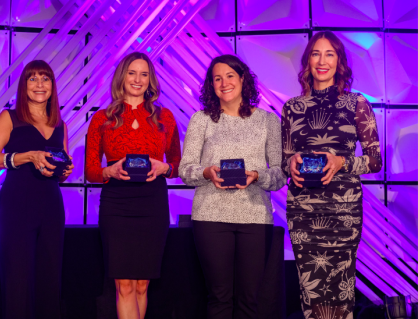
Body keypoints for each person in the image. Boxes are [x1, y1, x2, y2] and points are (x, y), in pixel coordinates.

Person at [281, 31, 382, 319]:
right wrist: (290, 165)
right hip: (302, 210)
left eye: (329, 54)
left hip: (343, 211)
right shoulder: (292, 108)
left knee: (340, 291)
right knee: (310, 291)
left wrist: (342, 162)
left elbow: (375, 161)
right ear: (307, 61)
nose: (322, 61)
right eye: (316, 53)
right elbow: (283, 160)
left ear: (339, 62)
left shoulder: (356, 103)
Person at [179, 54, 286, 319]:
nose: (224, 83)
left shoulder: (268, 121)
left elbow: (280, 174)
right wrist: (206, 172)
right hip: (210, 217)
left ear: (242, 79)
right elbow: (185, 170)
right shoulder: (200, 120)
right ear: (211, 85)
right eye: (217, 78)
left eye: (229, 76)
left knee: (250, 301)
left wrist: (256, 176)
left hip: (255, 217)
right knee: (219, 297)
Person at [85, 52, 181, 319]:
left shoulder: (166, 117)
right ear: (122, 77)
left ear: (150, 80)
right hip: (117, 203)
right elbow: (91, 171)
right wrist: (109, 170)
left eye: (144, 74)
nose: (138, 79)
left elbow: (177, 164)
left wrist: (166, 168)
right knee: (124, 285)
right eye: (132, 73)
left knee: (142, 284)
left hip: (153, 202)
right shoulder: (101, 118)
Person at [0, 60, 74, 318]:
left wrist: (66, 170)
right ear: (23, 86)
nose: (39, 84)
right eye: (32, 79)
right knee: (17, 276)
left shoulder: (60, 124)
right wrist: (27, 156)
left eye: (45, 79)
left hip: (51, 205)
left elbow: (61, 167)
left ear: (52, 86)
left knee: (49, 274)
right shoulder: (9, 117)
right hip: (17, 203)